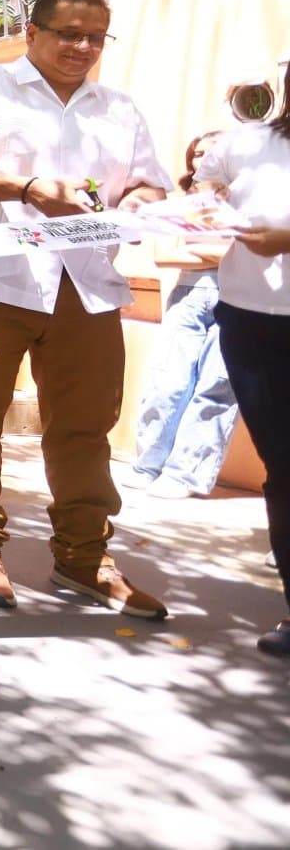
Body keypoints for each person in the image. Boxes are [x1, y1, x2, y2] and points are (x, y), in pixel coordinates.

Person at [0, 0, 172, 617]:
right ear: (32, 32)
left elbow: (150, 183)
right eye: (69, 33)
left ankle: (83, 554)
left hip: (88, 284)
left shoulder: (118, 108)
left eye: (95, 37)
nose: (82, 47)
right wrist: (30, 188)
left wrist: (138, 203)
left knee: (85, 428)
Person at [193, 60, 290, 657]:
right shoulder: (246, 143)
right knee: (284, 469)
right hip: (252, 322)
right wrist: (207, 202)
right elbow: (203, 184)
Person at [127, 132, 238, 499]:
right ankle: (148, 465)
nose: (202, 159)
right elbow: (164, 255)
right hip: (189, 295)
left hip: (238, 300)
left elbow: (261, 254)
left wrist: (200, 247)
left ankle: (184, 475)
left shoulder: (252, 200)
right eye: (197, 153)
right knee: (168, 382)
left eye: (212, 152)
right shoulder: (181, 204)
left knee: (216, 388)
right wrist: (227, 250)